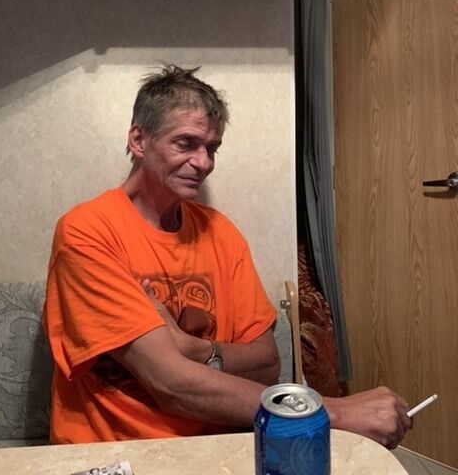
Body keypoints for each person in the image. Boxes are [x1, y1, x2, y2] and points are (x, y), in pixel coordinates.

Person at [43, 64, 411, 449]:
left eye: (211, 148)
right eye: (186, 143)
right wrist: (329, 413)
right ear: (139, 140)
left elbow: (267, 364)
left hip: (220, 446)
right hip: (118, 452)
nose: (204, 162)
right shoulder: (87, 231)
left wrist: (197, 350)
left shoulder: (220, 233)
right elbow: (170, 385)